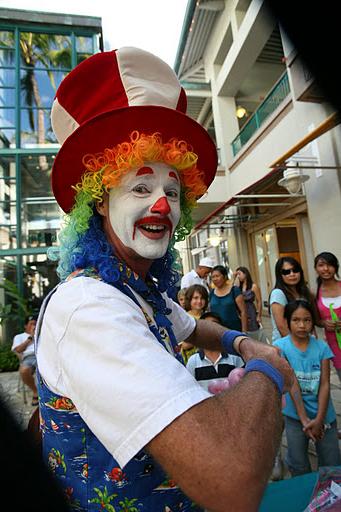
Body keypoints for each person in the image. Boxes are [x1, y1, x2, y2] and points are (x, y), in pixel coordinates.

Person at [35, 47, 293, 511]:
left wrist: (240, 343)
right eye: (141, 187)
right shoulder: (90, 307)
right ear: (98, 200)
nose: (162, 206)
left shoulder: (137, 290)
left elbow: (193, 327)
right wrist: (267, 370)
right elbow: (232, 482)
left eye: (172, 192)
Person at [274, 299, 341, 476]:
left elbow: (325, 384)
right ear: (287, 321)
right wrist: (304, 420)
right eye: (296, 320)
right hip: (295, 417)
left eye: (307, 320)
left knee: (331, 464)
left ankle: (329, 500)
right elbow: (292, 384)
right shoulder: (281, 348)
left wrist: (319, 419)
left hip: (324, 415)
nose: (302, 325)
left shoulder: (322, 347)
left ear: (313, 322)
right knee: (298, 464)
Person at [186, 312, 244, 392]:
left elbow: (243, 384)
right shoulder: (193, 361)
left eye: (214, 326)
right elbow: (190, 389)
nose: (210, 331)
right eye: (206, 327)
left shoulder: (234, 357)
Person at [269, 257, 313, 343]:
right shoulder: (278, 294)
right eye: (286, 272)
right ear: (280, 275)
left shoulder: (304, 292)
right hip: (288, 345)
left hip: (306, 342)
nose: (292, 274)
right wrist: (297, 347)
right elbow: (282, 327)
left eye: (295, 270)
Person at [314, 252, 341, 383]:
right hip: (334, 343)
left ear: (336, 267)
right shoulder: (315, 293)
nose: (325, 269)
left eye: (330, 265)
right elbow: (316, 319)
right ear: (316, 268)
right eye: (321, 265)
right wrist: (324, 323)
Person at [209, 265, 248, 331]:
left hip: (234, 330)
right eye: (213, 277)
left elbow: (243, 312)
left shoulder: (234, 290)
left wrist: (244, 331)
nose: (215, 279)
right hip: (217, 331)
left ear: (225, 276)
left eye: (217, 276)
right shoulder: (212, 293)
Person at [235, 266, 268, 343]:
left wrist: (259, 315)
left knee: (254, 331)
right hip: (241, 311)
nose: (238, 276)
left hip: (250, 310)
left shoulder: (253, 286)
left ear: (245, 274)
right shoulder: (237, 287)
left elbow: (259, 301)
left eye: (239, 274)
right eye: (237, 275)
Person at [11, 315, 38, 406]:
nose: (34, 326)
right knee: (24, 371)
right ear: (25, 326)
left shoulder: (41, 335)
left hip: (41, 356)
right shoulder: (19, 336)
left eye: (35, 324)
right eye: (31, 324)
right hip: (28, 357)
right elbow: (18, 350)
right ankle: (36, 391)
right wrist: (31, 337)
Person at [180, 284, 209, 364]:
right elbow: (184, 345)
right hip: (190, 360)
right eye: (195, 298)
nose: (199, 301)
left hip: (208, 358)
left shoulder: (209, 317)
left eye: (202, 298)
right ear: (189, 300)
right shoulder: (184, 317)